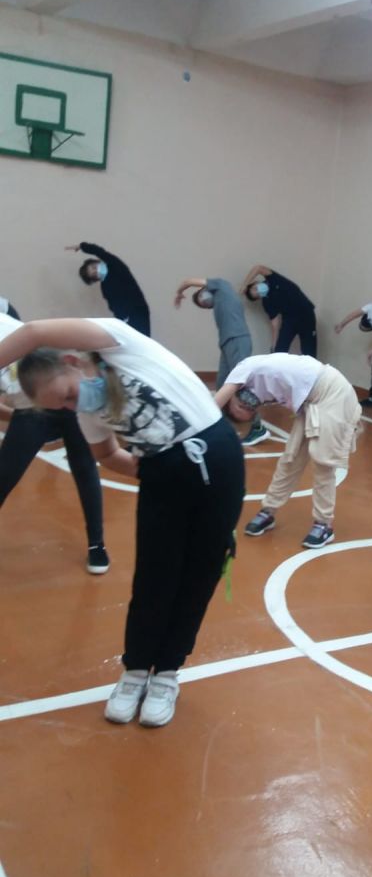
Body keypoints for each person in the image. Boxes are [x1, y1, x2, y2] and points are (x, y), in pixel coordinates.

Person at [0, 318, 244, 727]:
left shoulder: (121, 344)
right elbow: (109, 456)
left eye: (67, 394)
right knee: (153, 577)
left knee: (199, 575)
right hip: (161, 476)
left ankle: (167, 674)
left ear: (72, 362)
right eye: (61, 407)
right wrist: (165, 473)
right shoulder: (88, 413)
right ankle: (135, 671)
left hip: (219, 461)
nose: (71, 406)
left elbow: (35, 333)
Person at [0, 304, 108, 574]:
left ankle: (97, 544)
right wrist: (19, 422)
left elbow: (31, 330)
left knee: (84, 467)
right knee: (5, 472)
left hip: (69, 394)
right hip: (31, 409)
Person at [215, 353, 361, 549]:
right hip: (309, 402)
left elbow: (212, 409)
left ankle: (324, 524)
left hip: (332, 392)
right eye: (249, 410)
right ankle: (268, 510)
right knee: (290, 459)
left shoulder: (241, 372)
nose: (249, 406)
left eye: (242, 405)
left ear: (230, 399)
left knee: (323, 461)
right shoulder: (255, 390)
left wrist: (205, 435)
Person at [174, 276, 270, 446]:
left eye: (201, 297)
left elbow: (188, 281)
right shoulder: (219, 303)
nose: (204, 302)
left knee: (240, 385)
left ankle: (257, 427)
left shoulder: (222, 287)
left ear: (205, 290)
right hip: (227, 344)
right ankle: (223, 427)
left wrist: (180, 292)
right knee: (222, 385)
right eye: (202, 305)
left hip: (237, 340)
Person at [67, 241, 151, 336]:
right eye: (94, 274)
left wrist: (82, 246)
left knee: (142, 339)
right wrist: (121, 320)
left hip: (138, 311)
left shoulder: (114, 265)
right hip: (125, 319)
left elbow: (100, 252)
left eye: (94, 267)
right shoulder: (104, 287)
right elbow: (113, 306)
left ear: (98, 262)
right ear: (95, 279)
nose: (96, 271)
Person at [241, 265, 317, 356]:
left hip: (306, 314)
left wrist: (244, 285)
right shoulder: (267, 302)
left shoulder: (273, 278)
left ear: (255, 283)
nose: (258, 291)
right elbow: (275, 324)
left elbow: (258, 268)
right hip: (289, 320)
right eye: (257, 294)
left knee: (309, 352)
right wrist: (273, 346)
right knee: (279, 351)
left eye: (255, 288)